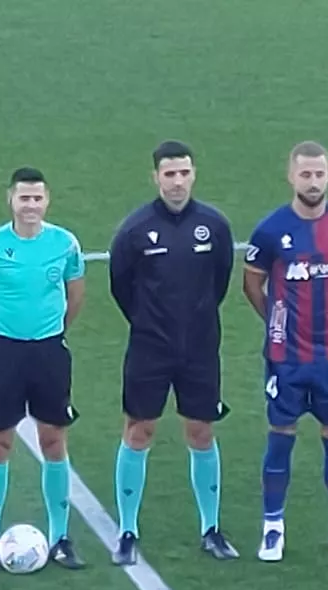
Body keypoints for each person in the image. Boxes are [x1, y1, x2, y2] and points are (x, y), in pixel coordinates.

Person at [107, 139, 239, 565]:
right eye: (169, 174)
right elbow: (121, 286)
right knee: (139, 430)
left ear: (193, 174)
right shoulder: (135, 230)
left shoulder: (214, 226)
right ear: (156, 178)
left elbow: (220, 280)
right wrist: (150, 322)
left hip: (200, 348)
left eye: (184, 173)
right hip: (150, 348)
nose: (177, 181)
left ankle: (211, 528)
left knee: (201, 431)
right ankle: (127, 530)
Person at [240, 141, 328, 562]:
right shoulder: (269, 231)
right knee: (280, 439)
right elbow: (252, 285)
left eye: (319, 174)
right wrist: (277, 322)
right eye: (305, 174)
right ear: (291, 176)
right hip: (287, 359)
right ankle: (272, 529)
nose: (313, 182)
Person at [0, 167, 87, 573]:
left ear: (46, 200)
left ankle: (61, 537)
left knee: (54, 440)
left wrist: (54, 333)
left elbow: (75, 295)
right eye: (23, 198)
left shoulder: (65, 244)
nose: (30, 205)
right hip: (6, 354)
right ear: (10, 200)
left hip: (49, 353)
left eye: (37, 198)